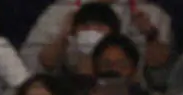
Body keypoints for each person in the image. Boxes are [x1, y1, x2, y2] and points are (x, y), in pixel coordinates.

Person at [20, 0, 172, 81]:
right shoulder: (59, 12)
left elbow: (162, 76)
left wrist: (150, 35)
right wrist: (63, 36)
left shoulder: (153, 15)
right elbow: (29, 69)